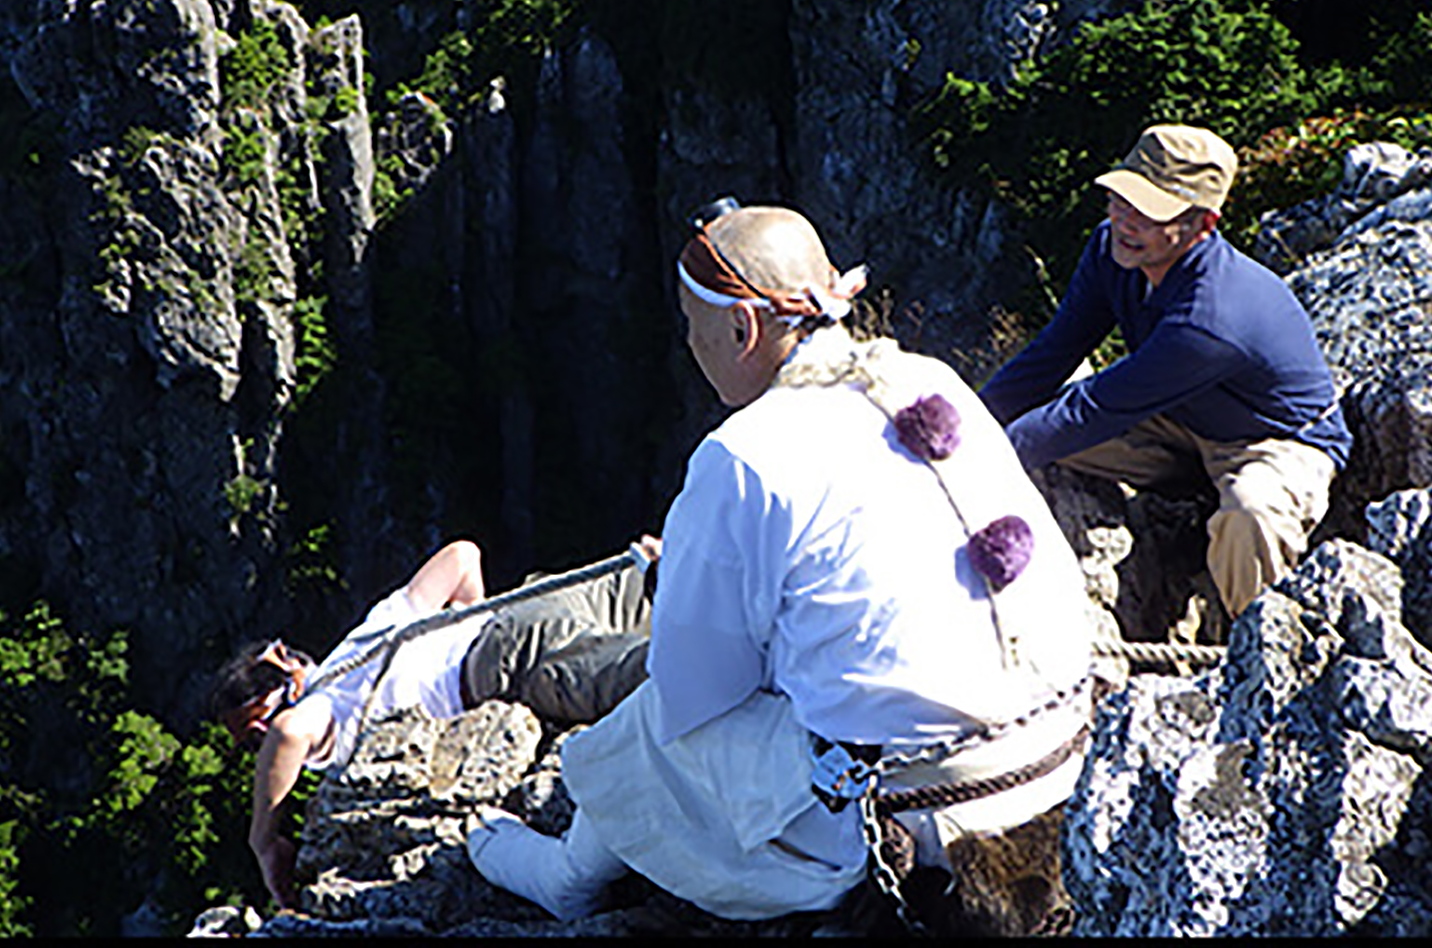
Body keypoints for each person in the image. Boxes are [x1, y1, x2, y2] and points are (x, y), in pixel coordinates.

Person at [464, 199, 1099, 934]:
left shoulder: (743, 455)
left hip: (912, 820)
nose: (689, 343)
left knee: (648, 727)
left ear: (742, 327)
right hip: (1062, 765)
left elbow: (693, 692)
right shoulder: (931, 378)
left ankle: (569, 875)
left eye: (692, 324)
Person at [978, 123, 1353, 622]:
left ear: (1204, 224)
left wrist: (977, 464)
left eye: (1151, 214)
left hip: (1275, 441)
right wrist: (964, 424)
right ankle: (1191, 493)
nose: (1126, 221)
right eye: (1120, 199)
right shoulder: (1111, 249)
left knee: (1249, 511)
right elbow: (1054, 352)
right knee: (1035, 426)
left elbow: (1096, 407)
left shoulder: (1213, 317)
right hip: (1178, 419)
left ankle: (1252, 647)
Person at [209, 535, 658, 909]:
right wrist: (472, 623)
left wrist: (264, 843)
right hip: (532, 604)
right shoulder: (365, 634)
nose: (261, 745)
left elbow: (289, 733)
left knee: (666, 677)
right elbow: (462, 557)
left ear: (270, 707)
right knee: (685, 573)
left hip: (511, 661)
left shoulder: (326, 708)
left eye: (254, 734)